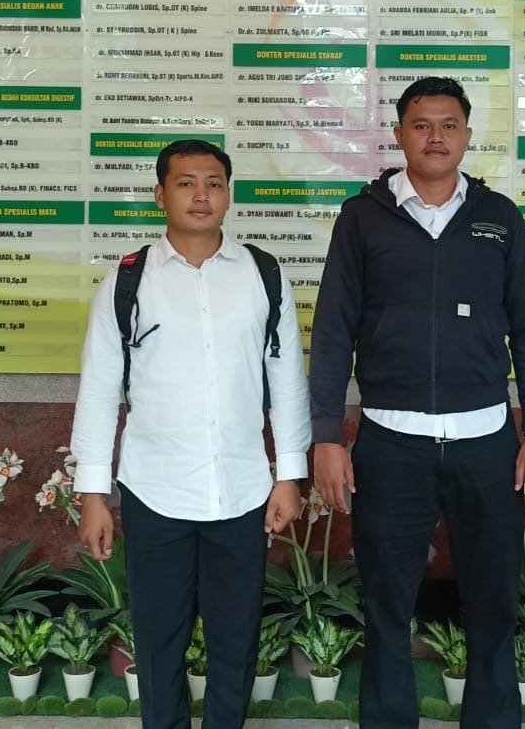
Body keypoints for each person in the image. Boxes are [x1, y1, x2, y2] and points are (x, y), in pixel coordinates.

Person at [310, 76, 525, 729]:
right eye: (421, 125)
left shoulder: (500, 217)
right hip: (391, 443)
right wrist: (327, 435)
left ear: (468, 135)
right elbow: (332, 331)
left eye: (449, 125)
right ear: (399, 134)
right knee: (387, 606)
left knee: (494, 603)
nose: (436, 136)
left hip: (487, 443)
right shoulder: (362, 217)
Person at [70, 139, 310, 729]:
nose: (201, 195)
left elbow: (286, 381)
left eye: (214, 183)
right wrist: (92, 494)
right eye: (186, 183)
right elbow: (99, 390)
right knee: (158, 640)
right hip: (156, 488)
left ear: (228, 195)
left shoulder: (263, 274)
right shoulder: (127, 281)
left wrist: (290, 475)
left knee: (236, 637)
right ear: (160, 195)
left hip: (243, 489)